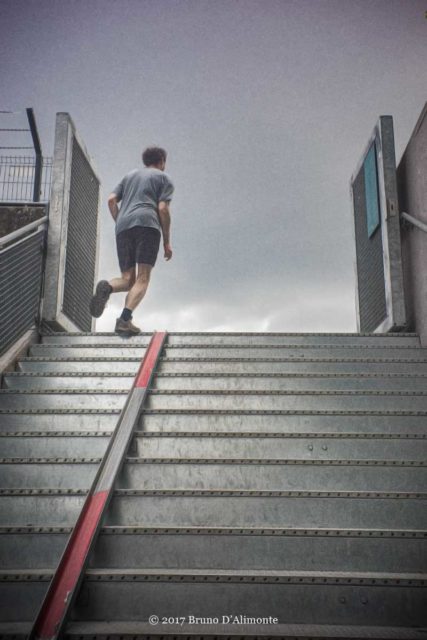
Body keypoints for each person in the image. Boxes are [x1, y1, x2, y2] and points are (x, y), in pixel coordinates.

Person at [89, 146, 174, 335]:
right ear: (161, 161)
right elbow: (162, 209)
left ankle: (108, 287)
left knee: (128, 280)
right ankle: (124, 319)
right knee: (143, 278)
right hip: (147, 225)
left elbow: (111, 200)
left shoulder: (129, 176)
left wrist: (120, 222)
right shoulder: (163, 178)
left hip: (123, 227)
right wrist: (167, 242)